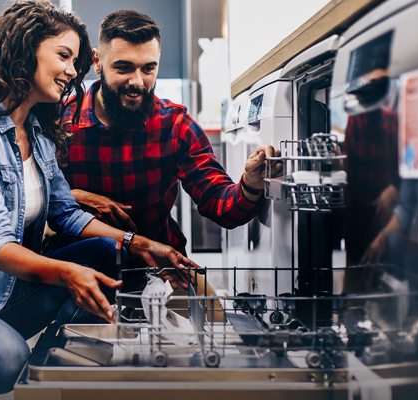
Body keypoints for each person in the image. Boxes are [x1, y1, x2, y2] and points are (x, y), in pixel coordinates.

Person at [0, 2, 198, 399]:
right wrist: (67, 273)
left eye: (75, 59)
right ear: (24, 50)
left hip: (3, 293)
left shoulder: (36, 134)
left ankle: (47, 377)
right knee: (3, 362)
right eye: (64, 55)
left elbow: (66, 213)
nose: (74, 70)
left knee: (108, 254)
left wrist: (139, 245)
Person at [56, 10, 279, 302]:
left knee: (212, 329)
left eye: (148, 69)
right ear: (97, 61)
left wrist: (250, 184)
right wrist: (74, 196)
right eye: (124, 67)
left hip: (163, 267)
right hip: (79, 267)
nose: (137, 81)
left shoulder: (175, 126)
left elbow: (222, 206)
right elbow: (33, 203)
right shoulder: (60, 124)